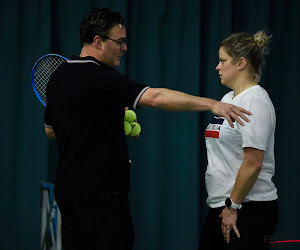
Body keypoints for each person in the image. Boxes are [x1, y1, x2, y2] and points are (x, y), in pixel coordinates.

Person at [44, 8, 251, 250]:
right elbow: (155, 97)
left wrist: (102, 122)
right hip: (101, 200)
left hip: (69, 198)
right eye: (119, 42)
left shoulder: (58, 76)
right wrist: (212, 104)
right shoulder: (99, 76)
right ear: (98, 41)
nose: (125, 48)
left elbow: (51, 130)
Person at [200, 31, 279, 250]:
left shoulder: (255, 101)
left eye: (223, 61)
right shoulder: (228, 99)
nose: (217, 67)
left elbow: (254, 162)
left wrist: (233, 206)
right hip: (223, 206)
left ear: (241, 63)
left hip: (247, 209)